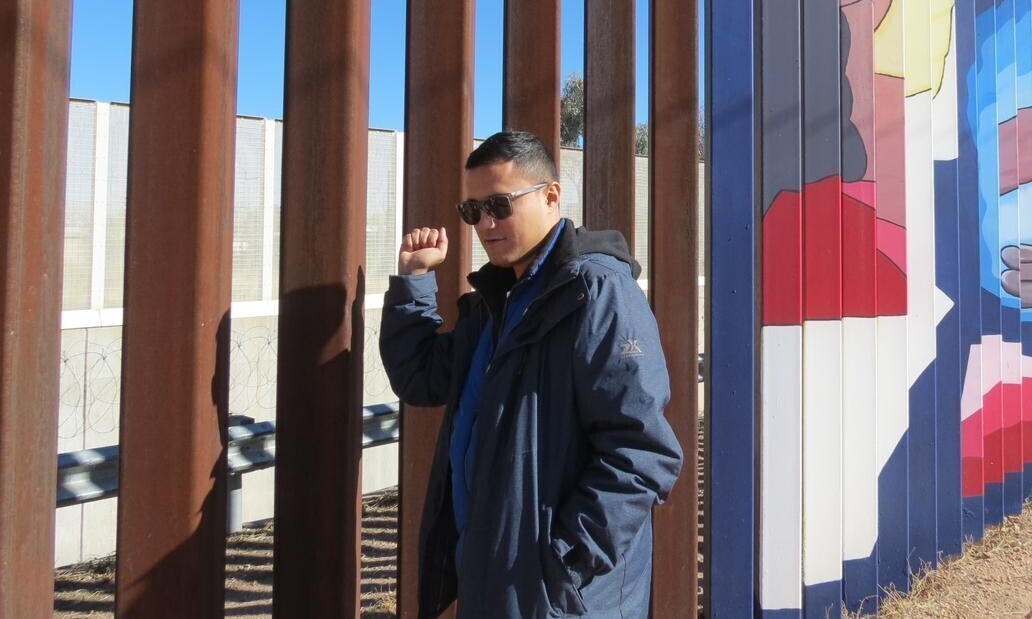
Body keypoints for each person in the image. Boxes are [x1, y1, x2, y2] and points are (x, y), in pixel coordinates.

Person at [379, 130, 683, 618]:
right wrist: (414, 281)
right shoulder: (493, 304)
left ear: (551, 196)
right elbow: (421, 379)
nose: (486, 223)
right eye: (473, 210)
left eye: (500, 204)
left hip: (560, 595)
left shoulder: (596, 293)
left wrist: (562, 564)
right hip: (495, 577)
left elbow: (641, 450)